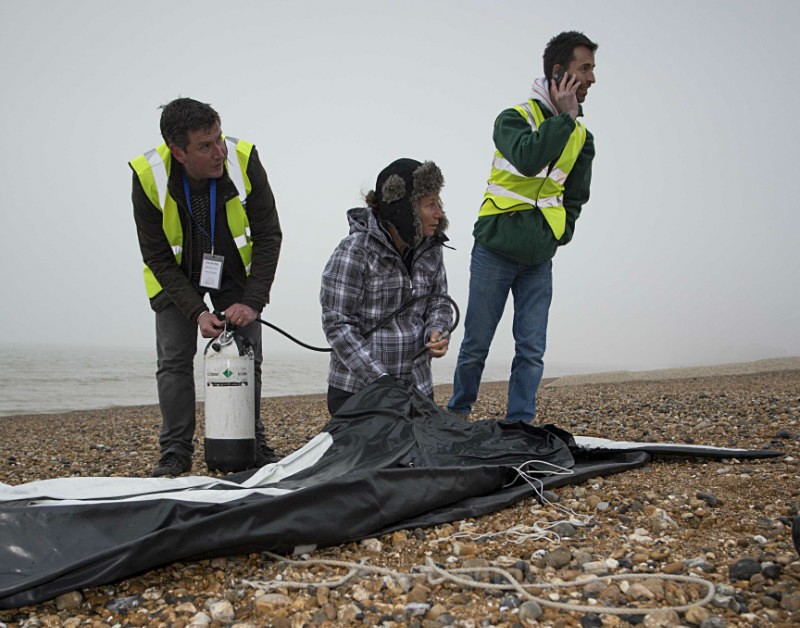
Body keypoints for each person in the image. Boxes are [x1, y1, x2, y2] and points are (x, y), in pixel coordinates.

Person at [448, 31, 597, 423]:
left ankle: (520, 424)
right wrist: (565, 119)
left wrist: (560, 233)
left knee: (531, 349)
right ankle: (458, 414)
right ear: (559, 73)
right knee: (476, 343)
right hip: (495, 250)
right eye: (585, 69)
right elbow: (529, 159)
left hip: (539, 259)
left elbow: (576, 195)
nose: (592, 79)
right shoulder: (513, 119)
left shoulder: (583, 138)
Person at [131, 97, 282, 477]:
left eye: (218, 138)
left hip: (232, 272)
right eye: (205, 145)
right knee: (173, 361)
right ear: (178, 152)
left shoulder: (243, 159)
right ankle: (175, 451)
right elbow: (157, 256)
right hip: (176, 275)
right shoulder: (147, 175)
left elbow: (269, 236)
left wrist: (252, 302)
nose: (219, 152)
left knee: (247, 353)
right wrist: (197, 311)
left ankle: (252, 439)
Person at [320, 158, 452, 415]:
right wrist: (380, 380)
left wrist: (438, 330)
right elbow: (337, 324)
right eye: (430, 205)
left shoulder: (432, 249)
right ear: (403, 210)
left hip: (417, 388)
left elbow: (440, 302)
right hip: (358, 391)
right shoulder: (354, 251)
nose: (439, 214)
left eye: (439, 203)